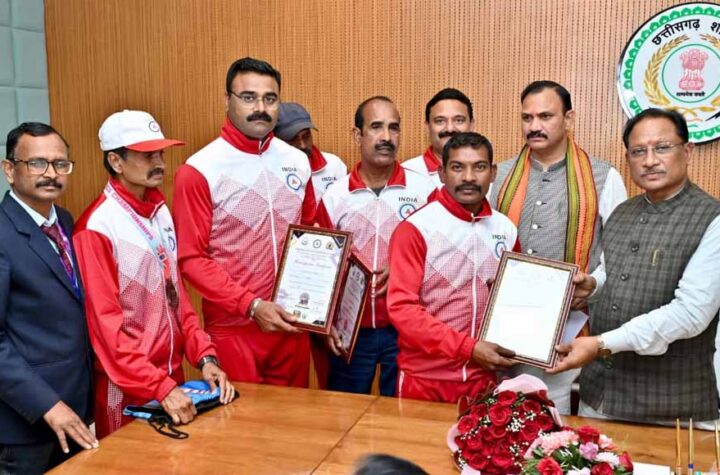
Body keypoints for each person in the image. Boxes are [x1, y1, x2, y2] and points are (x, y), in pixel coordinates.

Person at [550, 108, 720, 424]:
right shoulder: (622, 212)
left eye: (662, 148)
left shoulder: (713, 219)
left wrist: (601, 344)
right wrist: (594, 285)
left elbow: (691, 313)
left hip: (671, 408)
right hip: (599, 396)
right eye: (638, 151)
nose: (650, 160)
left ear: (687, 152)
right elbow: (611, 270)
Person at [73, 110, 233, 438]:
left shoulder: (160, 212)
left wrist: (205, 357)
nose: (159, 162)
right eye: (147, 155)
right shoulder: (96, 228)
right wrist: (159, 386)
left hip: (170, 380)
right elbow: (107, 332)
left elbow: (178, 298)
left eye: (160, 153)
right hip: (126, 390)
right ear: (116, 161)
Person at [173, 58, 316, 386]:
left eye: (270, 98)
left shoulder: (297, 161)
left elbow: (311, 232)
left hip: (292, 324)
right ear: (227, 100)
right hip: (233, 329)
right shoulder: (199, 170)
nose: (260, 108)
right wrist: (250, 306)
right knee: (240, 419)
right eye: (249, 97)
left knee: (298, 417)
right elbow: (191, 260)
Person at [488, 80, 627, 414]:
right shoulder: (501, 175)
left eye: (545, 116)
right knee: (503, 409)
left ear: (568, 119)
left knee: (555, 408)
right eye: (527, 117)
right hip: (506, 320)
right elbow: (485, 239)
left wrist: (593, 285)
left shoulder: (603, 177)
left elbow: (619, 255)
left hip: (570, 323)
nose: (534, 126)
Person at [315, 96, 436, 395]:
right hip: (351, 332)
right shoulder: (335, 196)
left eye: (393, 128)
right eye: (376, 127)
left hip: (406, 330)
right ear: (358, 135)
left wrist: (404, 267)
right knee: (344, 414)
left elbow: (441, 256)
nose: (386, 137)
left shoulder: (425, 192)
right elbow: (320, 268)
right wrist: (325, 322)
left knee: (402, 413)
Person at [388, 132, 519, 403]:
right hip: (425, 380)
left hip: (483, 379)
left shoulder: (506, 229)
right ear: (442, 173)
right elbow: (403, 310)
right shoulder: (415, 229)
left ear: (493, 173)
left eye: (479, 167)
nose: (469, 177)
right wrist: (468, 348)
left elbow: (516, 301)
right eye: (458, 167)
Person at [0, 123, 97, 474]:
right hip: (25, 425)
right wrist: (48, 406)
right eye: (37, 163)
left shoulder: (66, 222)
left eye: (60, 164)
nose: (51, 174)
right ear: (9, 169)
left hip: (76, 411)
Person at [274, 102, 347, 200]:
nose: (303, 145)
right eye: (292, 139)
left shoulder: (334, 166)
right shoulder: (270, 171)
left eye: (306, 136)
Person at [403, 88, 475, 187]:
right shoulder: (407, 174)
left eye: (459, 120)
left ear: (471, 125)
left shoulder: (487, 175)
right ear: (427, 127)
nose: (450, 129)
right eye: (440, 121)